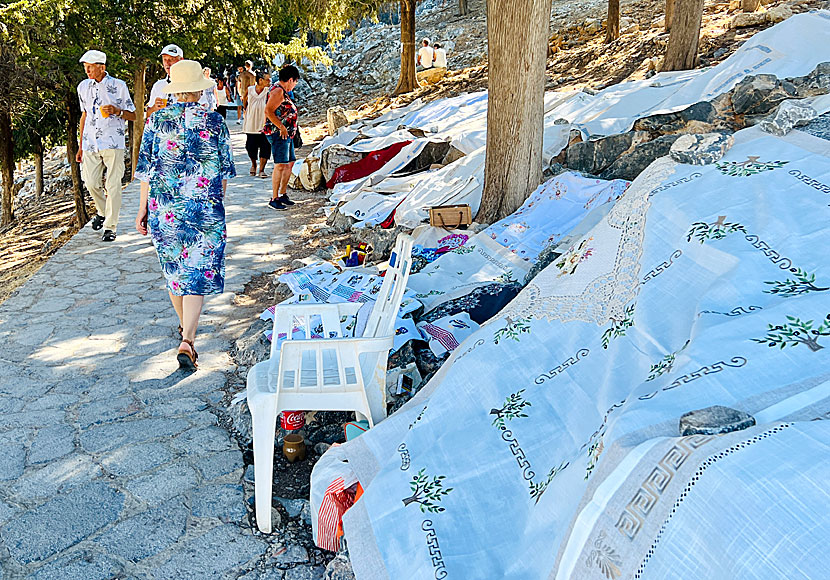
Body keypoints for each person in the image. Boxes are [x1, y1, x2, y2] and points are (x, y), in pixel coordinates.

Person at [134, 60, 236, 369]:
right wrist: (217, 203)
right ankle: (188, 339)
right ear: (199, 89)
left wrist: (142, 209)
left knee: (175, 273)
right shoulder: (215, 122)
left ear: (175, 90)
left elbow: (145, 172)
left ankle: (185, 331)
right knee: (198, 272)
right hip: (204, 207)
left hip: (164, 210)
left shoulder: (155, 122)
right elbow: (224, 173)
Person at [76, 49, 137, 242]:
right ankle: (102, 212)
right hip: (89, 143)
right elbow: (84, 115)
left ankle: (110, 226)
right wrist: (80, 146)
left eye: (91, 67)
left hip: (113, 141)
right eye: (85, 67)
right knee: (91, 183)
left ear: (102, 67)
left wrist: (118, 111)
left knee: (113, 185)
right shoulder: (82, 87)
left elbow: (133, 114)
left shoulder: (118, 85)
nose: (87, 71)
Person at [263, 65, 299, 211]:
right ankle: (274, 197)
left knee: (289, 163)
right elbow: (268, 111)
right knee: (280, 165)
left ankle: (283, 194)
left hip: (287, 133)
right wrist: (281, 127)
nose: (295, 85)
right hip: (279, 133)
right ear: (290, 79)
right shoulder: (278, 91)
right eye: (295, 82)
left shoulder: (283, 91)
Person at [146, 44, 216, 115]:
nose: (167, 63)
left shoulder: (194, 84)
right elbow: (148, 115)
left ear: (181, 60)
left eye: (171, 59)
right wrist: (155, 108)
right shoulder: (159, 85)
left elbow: (203, 112)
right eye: (165, 59)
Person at [243, 71, 272, 178]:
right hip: (251, 122)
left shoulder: (269, 91)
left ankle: (262, 169)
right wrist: (247, 110)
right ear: (260, 80)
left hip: (264, 123)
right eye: (267, 79)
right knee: (251, 146)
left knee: (265, 146)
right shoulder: (250, 90)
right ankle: (254, 164)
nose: (269, 81)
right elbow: (244, 99)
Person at [237, 60, 256, 124]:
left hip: (243, 93)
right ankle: (249, 122)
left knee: (244, 108)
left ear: (245, 66)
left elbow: (238, 85)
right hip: (251, 94)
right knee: (250, 108)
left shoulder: (241, 74)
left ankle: (246, 121)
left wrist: (240, 94)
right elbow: (254, 85)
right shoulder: (253, 75)